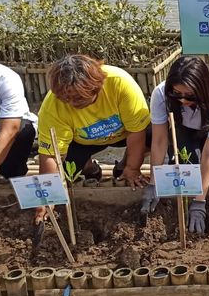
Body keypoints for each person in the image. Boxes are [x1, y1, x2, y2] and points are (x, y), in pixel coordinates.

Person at [36, 55, 151, 229]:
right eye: (67, 99)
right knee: (68, 171)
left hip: (124, 134)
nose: (72, 103)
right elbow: (51, 155)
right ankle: (91, 167)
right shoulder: (53, 105)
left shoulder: (120, 83)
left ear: (96, 87)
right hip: (81, 141)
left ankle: (123, 166)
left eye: (78, 98)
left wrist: (133, 169)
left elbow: (136, 131)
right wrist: (48, 195)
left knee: (151, 133)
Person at [141, 56, 209, 233]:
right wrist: (153, 182)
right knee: (187, 166)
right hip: (185, 128)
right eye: (177, 94)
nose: (183, 100)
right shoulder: (160, 94)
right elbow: (159, 140)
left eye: (190, 96)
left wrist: (199, 202)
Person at [0, 58, 37, 189]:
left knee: (24, 129)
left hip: (0, 130)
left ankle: (11, 176)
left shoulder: (5, 78)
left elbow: (10, 129)